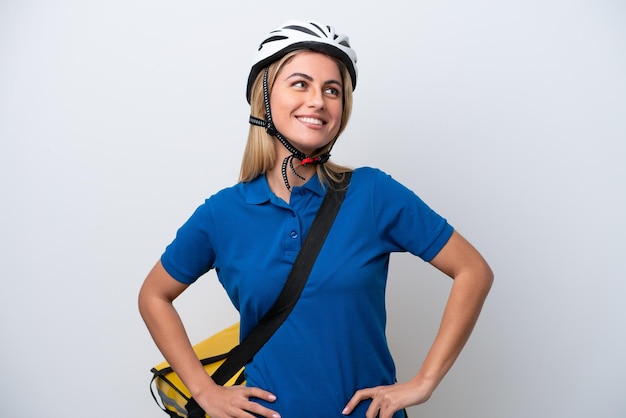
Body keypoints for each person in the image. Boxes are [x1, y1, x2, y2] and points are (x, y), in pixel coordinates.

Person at [138, 19, 493, 418]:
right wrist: (204, 391)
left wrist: (424, 382)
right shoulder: (222, 215)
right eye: (300, 84)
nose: (319, 101)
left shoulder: (372, 194)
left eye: (332, 90)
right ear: (265, 99)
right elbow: (154, 295)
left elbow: (473, 270)